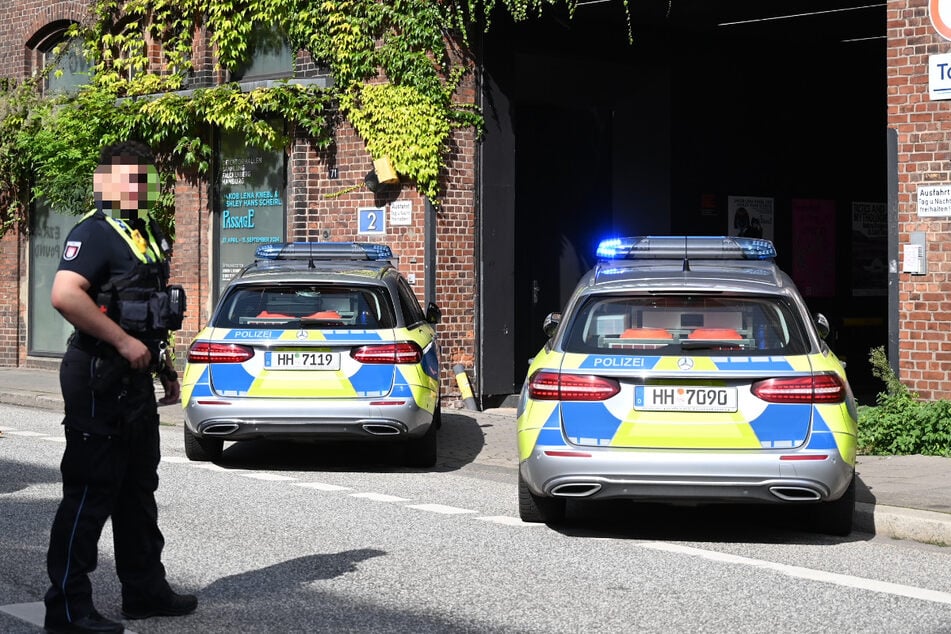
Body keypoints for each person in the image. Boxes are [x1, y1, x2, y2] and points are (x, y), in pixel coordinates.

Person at [44, 141, 194, 634]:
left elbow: (149, 309)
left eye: (144, 179)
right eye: (130, 179)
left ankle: (145, 591)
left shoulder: (147, 233)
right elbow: (64, 295)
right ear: (106, 182)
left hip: (134, 380)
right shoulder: (94, 233)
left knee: (138, 490)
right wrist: (124, 343)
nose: (140, 188)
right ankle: (67, 609)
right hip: (96, 375)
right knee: (90, 493)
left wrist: (164, 368)